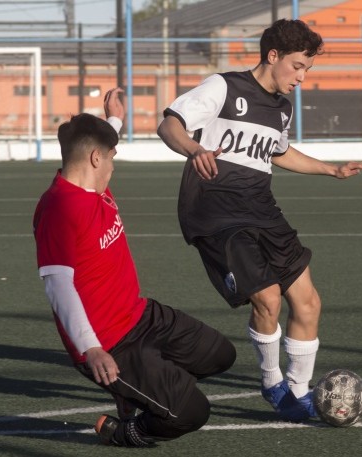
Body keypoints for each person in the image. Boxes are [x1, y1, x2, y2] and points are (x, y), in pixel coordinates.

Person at [156, 19, 362, 422]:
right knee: (268, 297)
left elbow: (278, 152)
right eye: (297, 66)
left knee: (308, 302)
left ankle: (299, 390)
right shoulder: (223, 87)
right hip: (216, 209)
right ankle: (273, 384)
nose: (302, 77)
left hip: (260, 207)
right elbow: (169, 123)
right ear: (272, 56)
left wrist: (331, 170)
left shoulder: (281, 108)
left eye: (307, 69)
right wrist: (193, 149)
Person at [33, 87, 236, 447]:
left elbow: (93, 146)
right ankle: (126, 431)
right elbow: (58, 285)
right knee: (192, 414)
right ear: (96, 159)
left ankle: (136, 391)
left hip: (142, 315)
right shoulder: (60, 208)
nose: (113, 164)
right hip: (111, 344)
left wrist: (115, 119)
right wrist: (91, 348)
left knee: (221, 355)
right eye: (111, 157)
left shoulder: (91, 183)